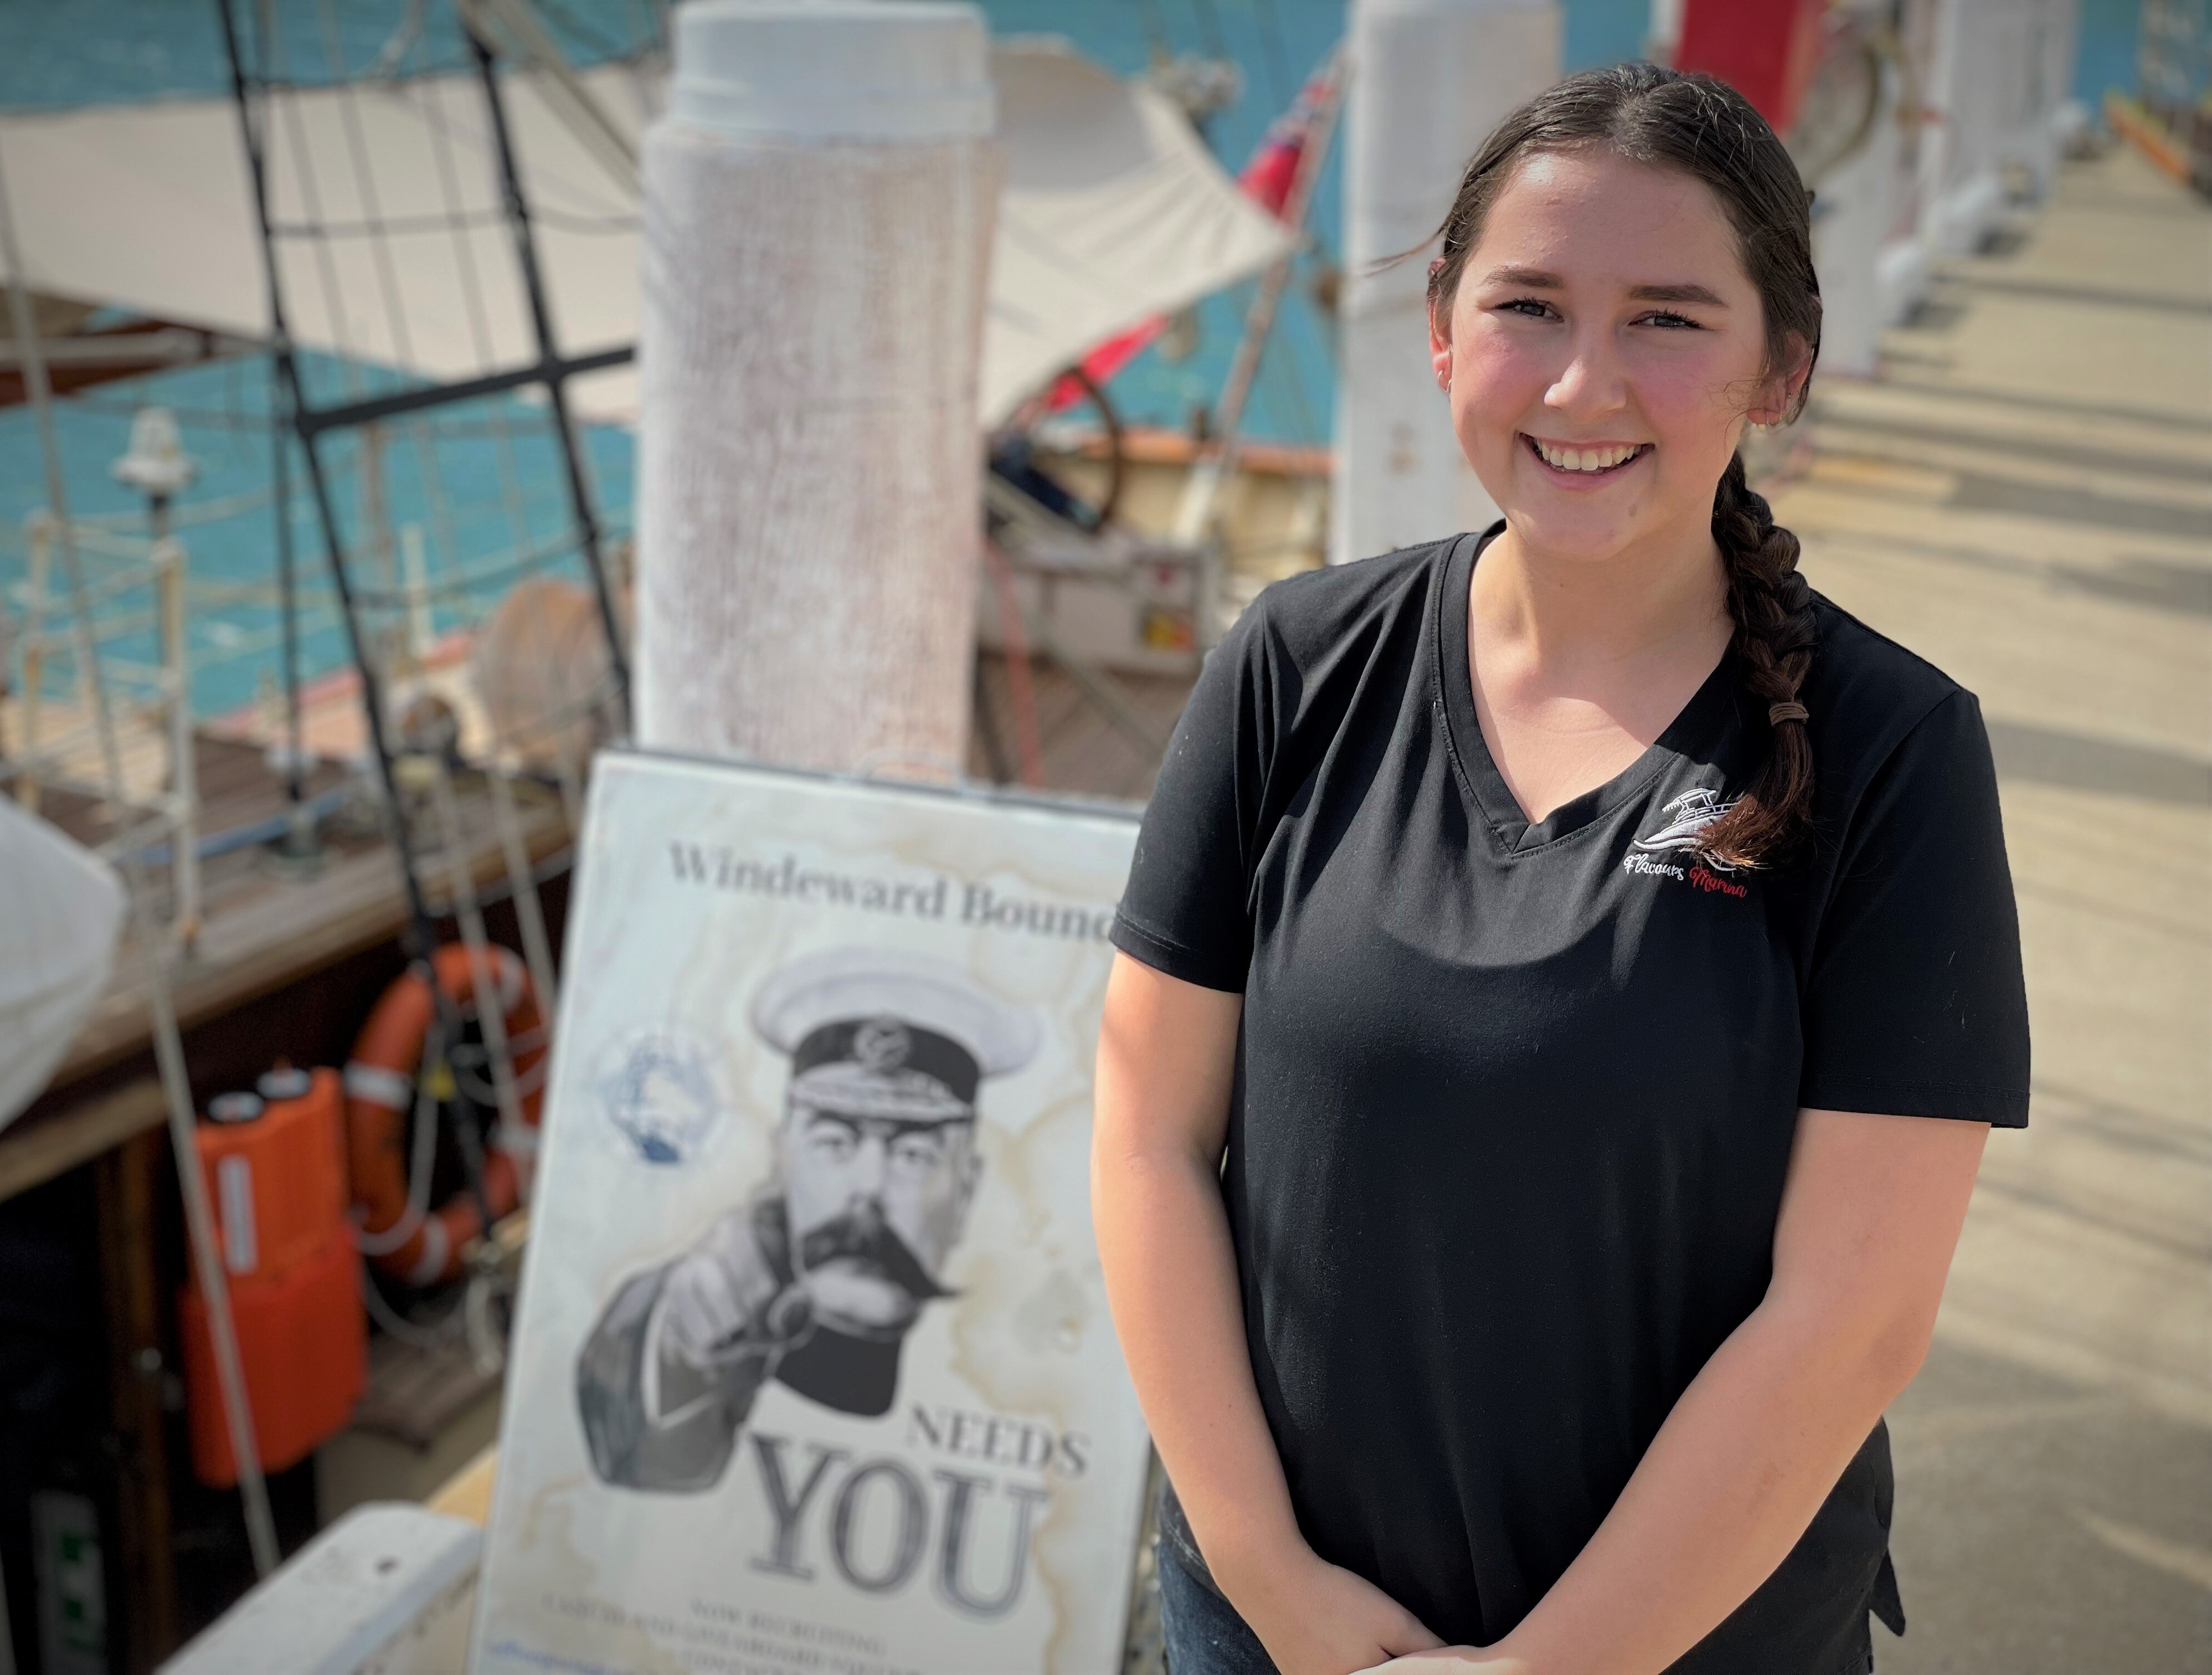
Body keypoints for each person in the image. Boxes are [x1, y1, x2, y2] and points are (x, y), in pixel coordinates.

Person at [1091, 63, 2028, 1675]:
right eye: (1531, 307)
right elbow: (1148, 1133)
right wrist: (1270, 1583)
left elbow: (1849, 1321)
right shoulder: (1293, 666)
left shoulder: (1893, 755)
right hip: (1278, 1631)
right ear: (1445, 332)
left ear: (1778, 370)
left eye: (1669, 319)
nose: (1586, 385)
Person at [579, 946, 1037, 1491]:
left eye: (913, 1155)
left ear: (966, 1192)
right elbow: (645, 1456)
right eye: (834, 1143)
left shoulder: (1023, 1379)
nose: (869, 1188)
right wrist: (679, 1337)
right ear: (783, 1161)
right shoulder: (706, 1302)